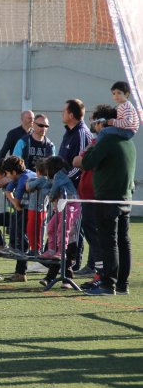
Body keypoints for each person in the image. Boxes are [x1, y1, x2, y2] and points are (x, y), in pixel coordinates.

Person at [75, 114, 136, 296]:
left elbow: (87, 163)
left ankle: (108, 284)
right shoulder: (129, 142)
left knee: (108, 242)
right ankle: (122, 284)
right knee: (123, 242)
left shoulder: (106, 140)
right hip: (125, 198)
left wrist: (91, 147)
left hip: (107, 198)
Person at [73, 105, 116, 279]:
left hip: (95, 194)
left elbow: (81, 161)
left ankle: (101, 273)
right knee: (95, 233)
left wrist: (81, 159)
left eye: (95, 120)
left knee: (97, 234)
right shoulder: (97, 140)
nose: (92, 124)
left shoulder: (103, 141)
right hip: (90, 194)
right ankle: (96, 268)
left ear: (101, 122)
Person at [58, 99, 93, 271]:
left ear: (71, 115)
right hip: (65, 189)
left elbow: (79, 167)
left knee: (76, 228)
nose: (62, 113)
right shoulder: (68, 132)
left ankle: (74, 263)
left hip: (77, 190)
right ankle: (60, 261)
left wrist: (63, 182)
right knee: (64, 226)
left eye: (64, 111)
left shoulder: (81, 133)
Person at [38, 157, 81, 289]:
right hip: (63, 206)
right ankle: (52, 250)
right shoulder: (58, 176)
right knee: (51, 227)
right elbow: (48, 187)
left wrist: (51, 197)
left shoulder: (59, 175)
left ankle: (62, 274)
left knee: (64, 231)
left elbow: (53, 189)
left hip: (71, 204)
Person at [1, 156, 35, 282]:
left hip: (31, 211)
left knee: (22, 239)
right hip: (24, 210)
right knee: (16, 233)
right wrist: (16, 205)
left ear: (14, 172)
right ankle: (19, 270)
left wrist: (16, 205)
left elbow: (17, 198)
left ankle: (21, 272)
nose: (8, 176)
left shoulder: (25, 178)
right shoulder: (20, 176)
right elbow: (8, 191)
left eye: (8, 173)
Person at [24, 158, 51, 257]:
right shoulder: (47, 180)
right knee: (40, 229)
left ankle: (35, 249)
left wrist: (28, 181)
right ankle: (38, 248)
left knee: (33, 229)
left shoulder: (40, 180)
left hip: (35, 209)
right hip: (42, 209)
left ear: (38, 171)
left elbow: (28, 187)